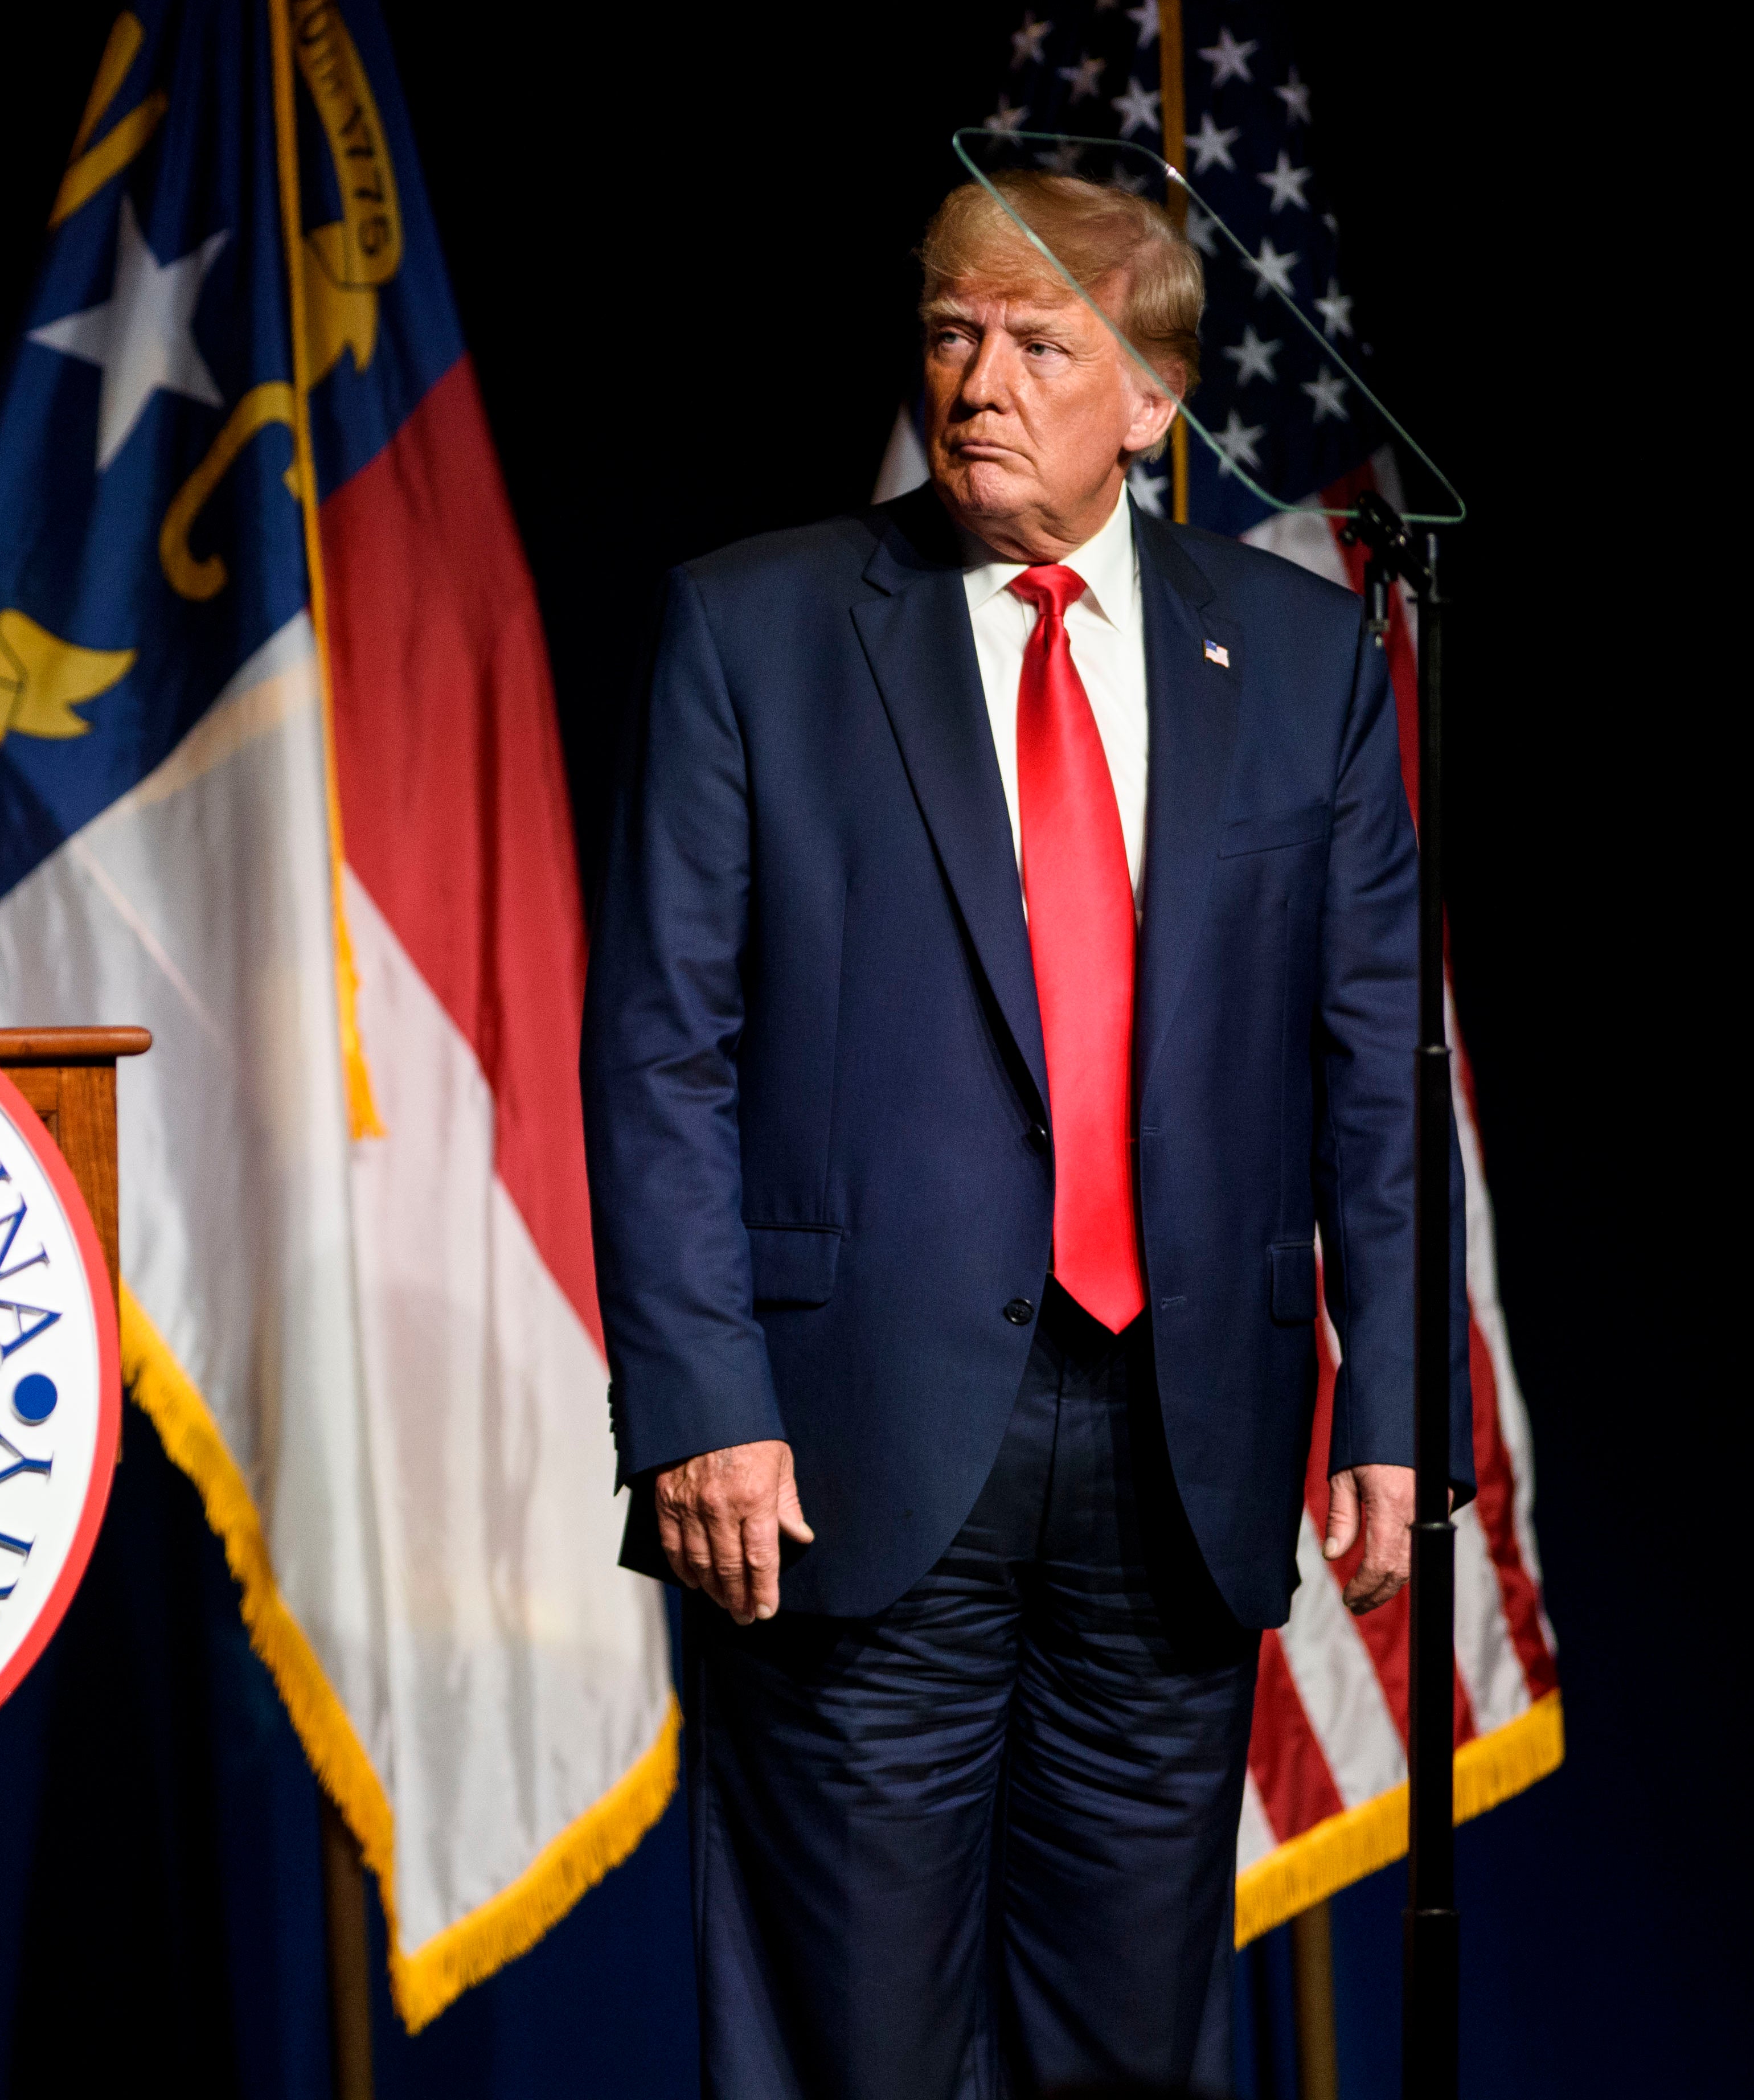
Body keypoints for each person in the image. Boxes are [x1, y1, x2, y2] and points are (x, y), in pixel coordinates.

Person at [583, 171, 1467, 2099]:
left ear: (1152, 399)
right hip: (845, 1442)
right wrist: (701, 1401)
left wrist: (1396, 1404)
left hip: (1181, 1447)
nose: (977, 384)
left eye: (1039, 346)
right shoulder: (756, 628)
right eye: (951, 336)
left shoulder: (1302, 660)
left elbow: (1372, 1070)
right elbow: (658, 1051)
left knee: (1132, 2043)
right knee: (854, 2043)